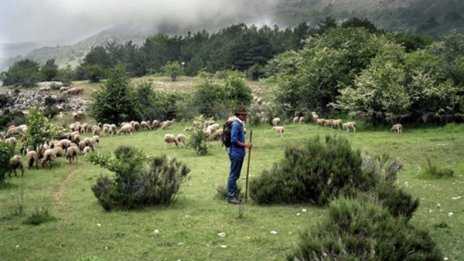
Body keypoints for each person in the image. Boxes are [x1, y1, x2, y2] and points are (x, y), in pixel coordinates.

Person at [227, 107, 253, 204]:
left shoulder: (240, 124)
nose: (245, 116)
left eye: (245, 114)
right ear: (239, 115)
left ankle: (234, 194)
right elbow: (233, 140)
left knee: (235, 175)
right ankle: (231, 196)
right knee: (233, 175)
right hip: (236, 154)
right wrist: (246, 145)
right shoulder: (236, 125)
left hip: (239, 153)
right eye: (243, 114)